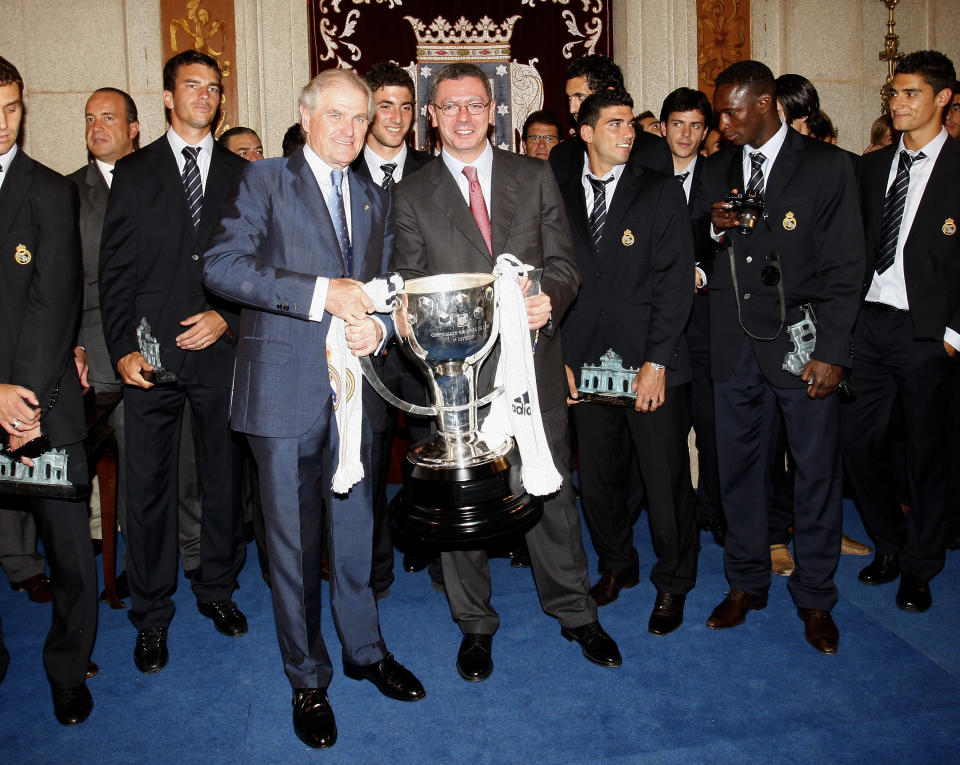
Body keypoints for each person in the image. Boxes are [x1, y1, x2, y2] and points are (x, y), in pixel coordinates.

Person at [203, 67, 425, 750]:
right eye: (336, 116)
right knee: (294, 546)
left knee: (356, 532)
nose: (350, 131)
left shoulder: (372, 196)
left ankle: (364, 649)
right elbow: (221, 265)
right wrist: (320, 293)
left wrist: (379, 329)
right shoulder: (263, 179)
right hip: (281, 395)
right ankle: (307, 676)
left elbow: (389, 289)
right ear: (305, 116)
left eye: (361, 119)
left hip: (353, 396)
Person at [392, 61, 621, 681]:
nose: (463, 117)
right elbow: (408, 280)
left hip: (533, 362)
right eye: (450, 107)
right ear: (431, 117)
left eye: (474, 105)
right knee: (463, 501)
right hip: (456, 377)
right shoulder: (411, 194)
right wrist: (406, 314)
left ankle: (576, 611)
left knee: (548, 488)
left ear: (493, 112)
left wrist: (549, 296)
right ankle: (474, 625)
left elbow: (564, 263)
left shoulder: (535, 174)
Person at [696, 60, 864, 655]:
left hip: (804, 346)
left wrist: (834, 351)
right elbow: (695, 243)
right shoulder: (715, 168)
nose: (722, 121)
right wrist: (713, 230)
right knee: (738, 472)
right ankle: (745, 583)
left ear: (766, 104)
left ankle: (816, 596)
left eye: (731, 110)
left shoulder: (827, 166)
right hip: (734, 346)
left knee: (816, 473)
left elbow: (848, 267)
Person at [99, 50, 248, 674]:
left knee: (223, 480)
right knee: (150, 487)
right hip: (150, 358)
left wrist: (229, 318)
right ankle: (152, 613)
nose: (203, 96)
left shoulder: (245, 175)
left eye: (213, 88)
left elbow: (258, 269)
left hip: (219, 354)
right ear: (166, 97)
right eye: (191, 86)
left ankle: (217, 589)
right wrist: (123, 349)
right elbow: (114, 273)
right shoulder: (133, 173)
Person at [559, 89, 697, 635]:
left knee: (664, 482)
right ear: (586, 132)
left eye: (629, 125)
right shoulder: (561, 194)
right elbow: (551, 280)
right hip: (585, 364)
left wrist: (657, 363)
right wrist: (561, 360)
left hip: (648, 364)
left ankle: (674, 582)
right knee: (597, 482)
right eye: (614, 124)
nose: (627, 132)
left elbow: (675, 286)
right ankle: (618, 564)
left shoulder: (660, 193)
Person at [842, 50, 959, 614]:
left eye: (911, 93)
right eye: (894, 93)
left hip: (928, 334)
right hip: (868, 326)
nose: (898, 103)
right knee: (857, 442)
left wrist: (954, 333)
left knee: (927, 455)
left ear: (943, 98)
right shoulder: (870, 168)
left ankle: (921, 566)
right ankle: (889, 544)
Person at [0, 55, 97, 725]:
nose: (2, 124)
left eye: (10, 109)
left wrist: (19, 400)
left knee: (69, 552)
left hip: (44, 410)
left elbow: (54, 302)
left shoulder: (48, 190)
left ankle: (67, 668)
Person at [350, 61, 436, 592]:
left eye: (407, 106)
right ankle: (373, 566)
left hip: (431, 341)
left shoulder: (436, 170)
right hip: (367, 343)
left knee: (437, 452)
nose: (397, 117)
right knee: (370, 457)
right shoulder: (342, 171)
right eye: (385, 105)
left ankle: (435, 550)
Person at [67, 87, 144, 600]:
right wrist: (70, 344)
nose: (97, 127)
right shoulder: (66, 191)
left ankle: (145, 562)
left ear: (133, 128)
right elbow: (58, 281)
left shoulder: (160, 179)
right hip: (93, 348)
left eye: (109, 118)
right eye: (90, 118)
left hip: (158, 341)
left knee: (150, 463)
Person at [658, 86, 726, 548]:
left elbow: (738, 241)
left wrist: (701, 271)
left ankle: (717, 515)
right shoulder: (640, 174)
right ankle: (669, 515)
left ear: (706, 132)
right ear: (662, 128)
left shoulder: (721, 175)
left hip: (705, 320)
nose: (686, 134)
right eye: (678, 124)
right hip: (656, 321)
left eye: (695, 125)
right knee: (661, 432)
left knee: (712, 426)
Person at [550, 54, 672, 185]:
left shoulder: (652, 150)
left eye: (580, 97)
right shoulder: (561, 155)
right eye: (569, 98)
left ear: (609, 94)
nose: (572, 109)